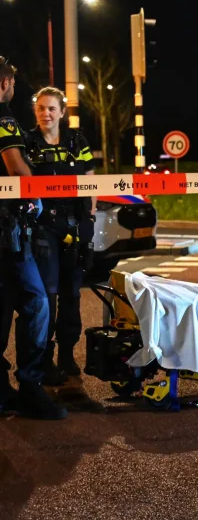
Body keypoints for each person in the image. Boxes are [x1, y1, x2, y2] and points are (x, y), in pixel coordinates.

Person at [0, 57, 66, 419]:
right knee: (36, 303)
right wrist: (36, 195)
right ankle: (30, 387)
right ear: (5, 83)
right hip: (6, 231)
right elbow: (16, 169)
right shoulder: (4, 118)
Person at [24, 87, 96, 385]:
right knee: (48, 294)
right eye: (41, 108)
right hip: (43, 227)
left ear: (62, 112)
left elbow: (90, 181)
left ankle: (67, 354)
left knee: (72, 293)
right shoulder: (28, 142)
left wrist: (90, 218)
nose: (46, 113)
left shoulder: (77, 141)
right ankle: (44, 358)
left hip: (74, 224)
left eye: (52, 108)